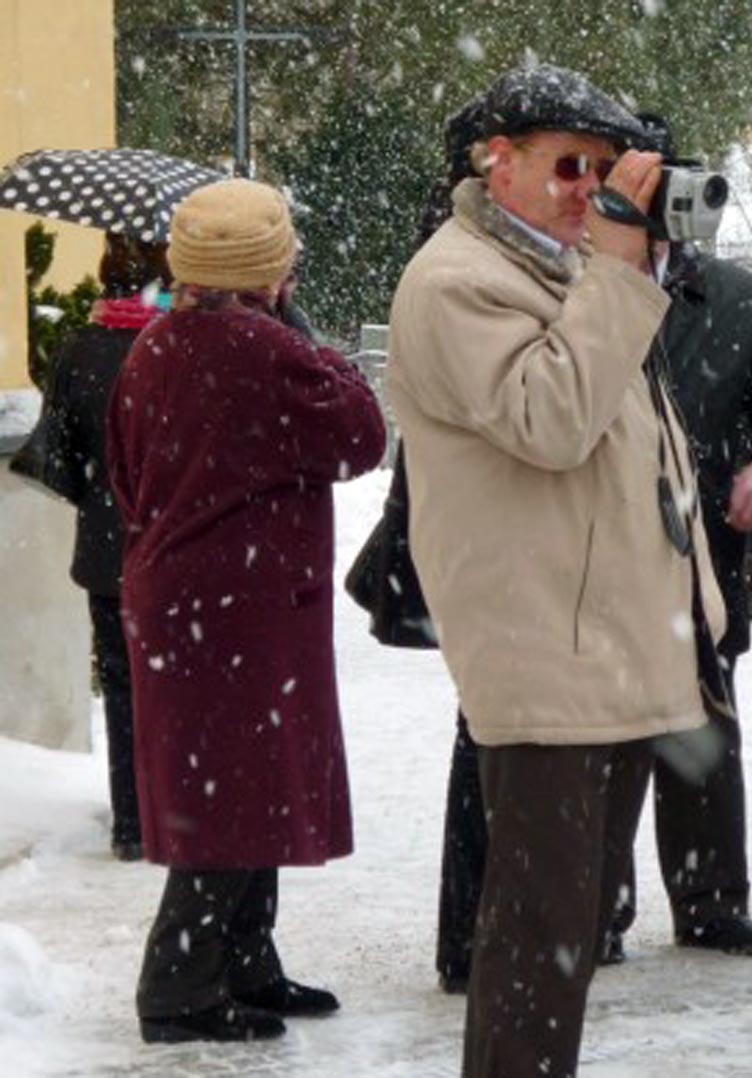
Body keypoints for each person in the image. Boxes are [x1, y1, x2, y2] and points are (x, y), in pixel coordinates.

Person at [388, 63, 726, 1078]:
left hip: (608, 646)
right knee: (539, 934)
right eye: (569, 167)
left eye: (606, 170)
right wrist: (621, 271)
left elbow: (649, 452)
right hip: (543, 655)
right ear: (497, 165)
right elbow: (552, 421)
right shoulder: (457, 281)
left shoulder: (563, 267)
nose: (591, 189)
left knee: (573, 928)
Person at [106, 178, 386, 1043]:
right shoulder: (268, 352)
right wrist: (300, 333)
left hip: (183, 596)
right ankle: (180, 986)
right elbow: (362, 435)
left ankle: (244, 958)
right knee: (232, 795)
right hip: (244, 604)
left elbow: (124, 476)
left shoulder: (151, 348)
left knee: (239, 786)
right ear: (270, 271)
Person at [603, 115, 752, 962]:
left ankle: (709, 901)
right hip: (599, 552)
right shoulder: (571, 285)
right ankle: (594, 912)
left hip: (706, 555)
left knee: (703, 724)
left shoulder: (735, 296)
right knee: (604, 736)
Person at [12, 234, 171, 861]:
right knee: (173, 685)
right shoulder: (173, 347)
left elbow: (58, 454)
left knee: (122, 680)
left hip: (108, 547)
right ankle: (171, 814)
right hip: (171, 541)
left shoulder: (81, 349)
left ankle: (130, 824)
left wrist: (103, 494)